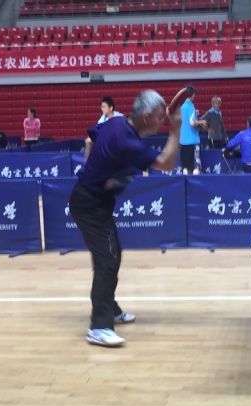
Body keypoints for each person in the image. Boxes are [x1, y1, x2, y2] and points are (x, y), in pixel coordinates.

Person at [68, 89, 182, 348]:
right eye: (160, 116)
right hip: (90, 204)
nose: (163, 120)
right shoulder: (128, 143)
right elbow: (166, 164)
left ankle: (111, 308)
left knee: (112, 255)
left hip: (94, 200)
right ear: (145, 118)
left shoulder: (115, 122)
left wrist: (93, 169)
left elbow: (91, 138)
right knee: (107, 261)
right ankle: (99, 327)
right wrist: (176, 130)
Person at [179, 85, 206, 175]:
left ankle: (185, 183)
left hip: (183, 141)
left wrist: (195, 114)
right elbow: (192, 123)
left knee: (185, 167)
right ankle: (195, 184)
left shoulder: (181, 106)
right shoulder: (190, 105)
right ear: (193, 94)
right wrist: (201, 122)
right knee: (196, 166)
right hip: (192, 141)